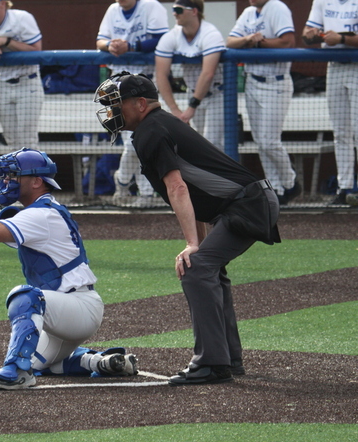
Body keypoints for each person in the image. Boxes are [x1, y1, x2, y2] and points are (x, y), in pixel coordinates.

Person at [95, 72, 280, 385]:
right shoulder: (158, 125)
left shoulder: (151, 130)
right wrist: (199, 245)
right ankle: (228, 358)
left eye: (117, 104)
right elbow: (195, 194)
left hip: (247, 204)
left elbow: (178, 188)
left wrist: (192, 245)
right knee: (207, 268)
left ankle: (212, 363)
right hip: (249, 201)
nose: (112, 111)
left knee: (196, 268)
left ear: (140, 104)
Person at [0, 148, 139, 390]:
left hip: (78, 307)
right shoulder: (40, 211)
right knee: (40, 363)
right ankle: (99, 362)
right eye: (6, 175)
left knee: (25, 297)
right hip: (62, 311)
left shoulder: (41, 215)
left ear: (36, 181)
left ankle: (18, 372)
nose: (6, 180)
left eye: (13, 175)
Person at [96, 0, 168, 206]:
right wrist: (109, 46)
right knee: (132, 143)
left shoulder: (151, 6)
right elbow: (100, 41)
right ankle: (140, 190)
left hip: (145, 84)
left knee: (141, 141)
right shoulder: (112, 10)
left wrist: (131, 46)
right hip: (118, 85)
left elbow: (162, 39)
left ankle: (126, 183)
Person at [228, 0, 299, 205]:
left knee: (269, 141)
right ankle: (275, 189)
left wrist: (259, 43)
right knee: (261, 142)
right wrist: (248, 39)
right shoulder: (249, 12)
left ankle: (290, 182)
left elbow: (287, 42)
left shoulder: (277, 7)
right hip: (252, 81)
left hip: (275, 81)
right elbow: (230, 42)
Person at [303, 1, 358, 205]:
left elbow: (342, 38)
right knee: (341, 132)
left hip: (356, 65)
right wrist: (311, 35)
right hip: (334, 66)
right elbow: (306, 33)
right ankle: (345, 187)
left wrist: (342, 38)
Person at [154, 0, 226, 151]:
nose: (175, 14)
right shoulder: (172, 36)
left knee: (213, 144)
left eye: (179, 10)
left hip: (216, 95)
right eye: (174, 9)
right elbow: (161, 75)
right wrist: (175, 110)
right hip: (192, 93)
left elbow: (208, 74)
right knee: (199, 144)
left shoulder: (210, 34)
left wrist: (192, 107)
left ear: (194, 11)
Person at [0, 0, 44, 151]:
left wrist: (6, 41)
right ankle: (16, 168)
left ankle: (31, 168)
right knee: (10, 139)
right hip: (3, 83)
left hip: (27, 81)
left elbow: (36, 50)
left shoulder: (22, 18)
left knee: (28, 140)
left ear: (3, 3)